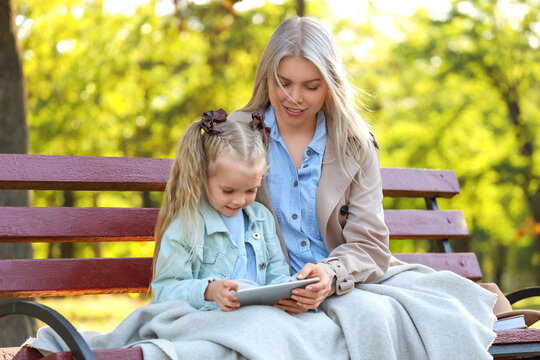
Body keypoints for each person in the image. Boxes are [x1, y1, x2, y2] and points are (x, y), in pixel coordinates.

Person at [229, 16, 392, 314]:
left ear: (330, 85)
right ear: (266, 77)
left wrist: (330, 275)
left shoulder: (355, 143)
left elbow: (369, 244)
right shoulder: (236, 134)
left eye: (311, 86)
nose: (294, 98)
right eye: (283, 83)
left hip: (344, 289)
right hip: (263, 292)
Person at [150, 109, 294, 311]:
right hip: (209, 319)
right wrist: (207, 291)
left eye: (251, 190)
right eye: (228, 191)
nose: (240, 200)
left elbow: (276, 275)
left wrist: (292, 291)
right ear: (202, 177)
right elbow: (165, 291)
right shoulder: (187, 226)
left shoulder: (262, 219)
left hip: (257, 317)